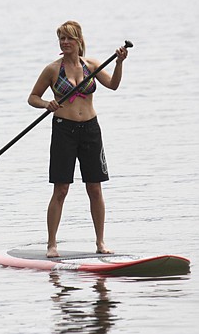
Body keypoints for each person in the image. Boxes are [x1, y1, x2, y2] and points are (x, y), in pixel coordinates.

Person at [27, 21, 128, 257]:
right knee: (61, 188)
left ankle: (100, 243)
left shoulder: (91, 65)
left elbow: (113, 85)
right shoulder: (52, 70)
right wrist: (46, 104)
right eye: (61, 38)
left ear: (78, 40)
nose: (64, 42)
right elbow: (32, 97)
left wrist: (120, 63)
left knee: (95, 188)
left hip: (91, 130)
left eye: (68, 38)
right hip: (64, 130)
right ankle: (52, 245)